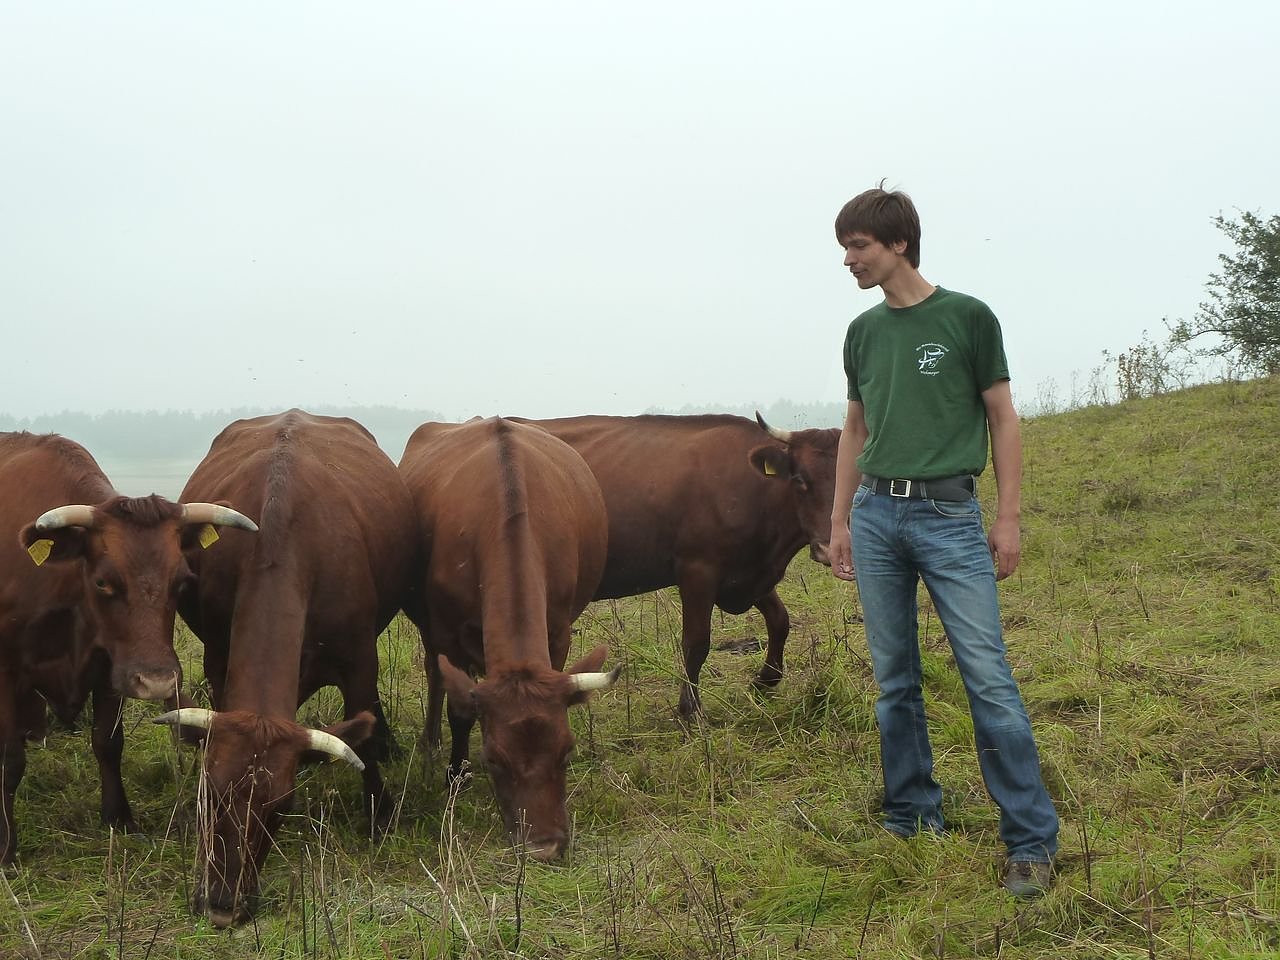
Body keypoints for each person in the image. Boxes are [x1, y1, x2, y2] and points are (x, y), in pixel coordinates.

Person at [826, 183, 1059, 897]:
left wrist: (1008, 517)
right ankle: (912, 815)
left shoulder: (967, 318)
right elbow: (855, 428)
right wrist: (838, 521)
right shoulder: (862, 332)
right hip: (875, 515)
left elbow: (1003, 417)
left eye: (858, 246)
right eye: (844, 248)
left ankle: (1029, 840)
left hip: (949, 517)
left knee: (986, 677)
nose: (848, 260)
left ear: (899, 243)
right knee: (894, 679)